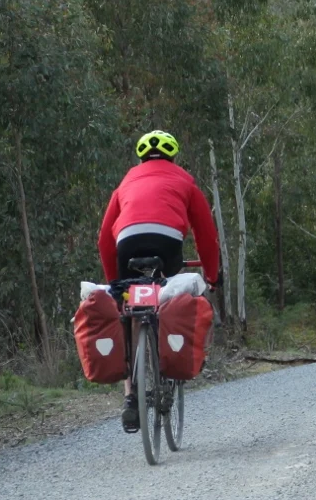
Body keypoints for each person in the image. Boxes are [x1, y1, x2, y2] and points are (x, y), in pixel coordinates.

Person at [98, 129, 220, 432]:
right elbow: (206, 236)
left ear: (141, 158)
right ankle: (169, 363)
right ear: (173, 156)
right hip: (167, 244)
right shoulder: (185, 181)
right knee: (168, 297)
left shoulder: (126, 182)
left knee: (130, 310)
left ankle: (130, 397)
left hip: (126, 243)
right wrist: (212, 275)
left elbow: (104, 239)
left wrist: (115, 284)